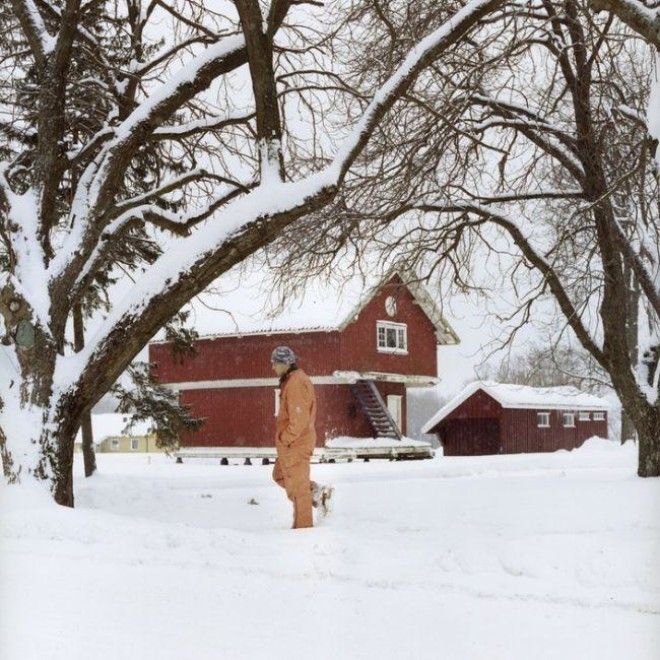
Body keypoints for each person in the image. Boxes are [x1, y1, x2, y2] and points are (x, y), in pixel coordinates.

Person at [271, 346, 333, 529]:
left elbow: (299, 419)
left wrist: (285, 438)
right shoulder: (292, 380)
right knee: (280, 475)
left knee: (298, 490)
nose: (273, 367)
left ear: (285, 363)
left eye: (274, 363)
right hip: (291, 444)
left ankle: (303, 531)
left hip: (295, 443)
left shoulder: (296, 383)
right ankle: (317, 492)